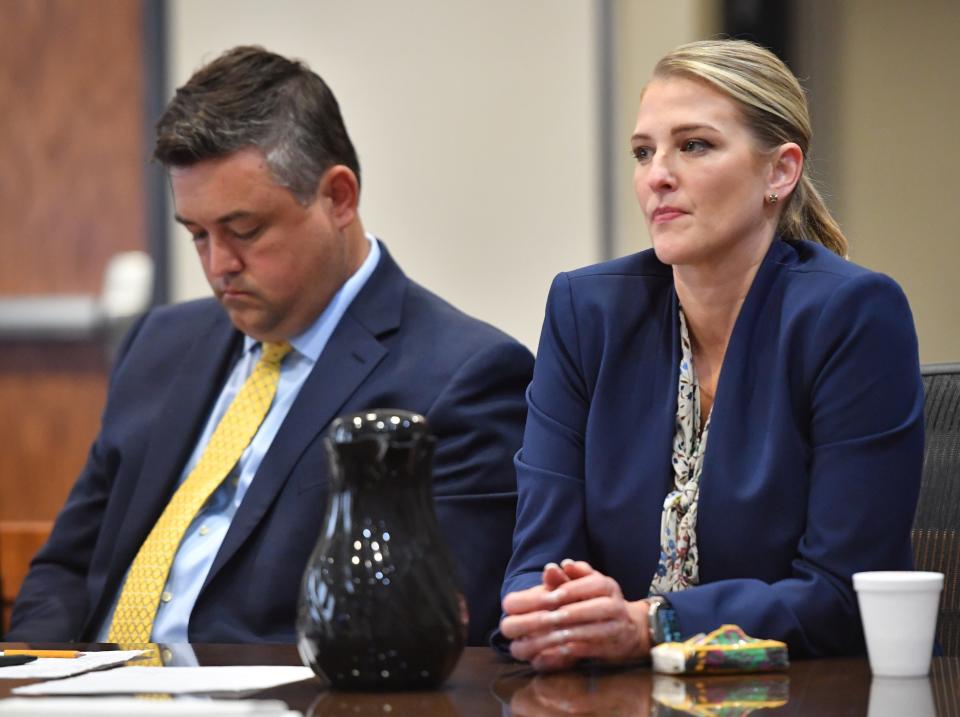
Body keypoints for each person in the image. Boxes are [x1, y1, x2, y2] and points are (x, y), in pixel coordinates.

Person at [8, 46, 533, 647]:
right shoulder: (159, 345)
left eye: (245, 230)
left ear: (338, 197)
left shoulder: (462, 379)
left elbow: (425, 639)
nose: (218, 265)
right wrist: (32, 681)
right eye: (197, 235)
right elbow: (68, 567)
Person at [498, 39, 924, 670]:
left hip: (811, 693)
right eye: (644, 152)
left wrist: (651, 623)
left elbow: (841, 592)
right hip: (618, 693)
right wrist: (550, 612)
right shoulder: (586, 312)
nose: (656, 175)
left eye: (693, 145)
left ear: (780, 172)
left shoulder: (850, 316)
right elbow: (535, 562)